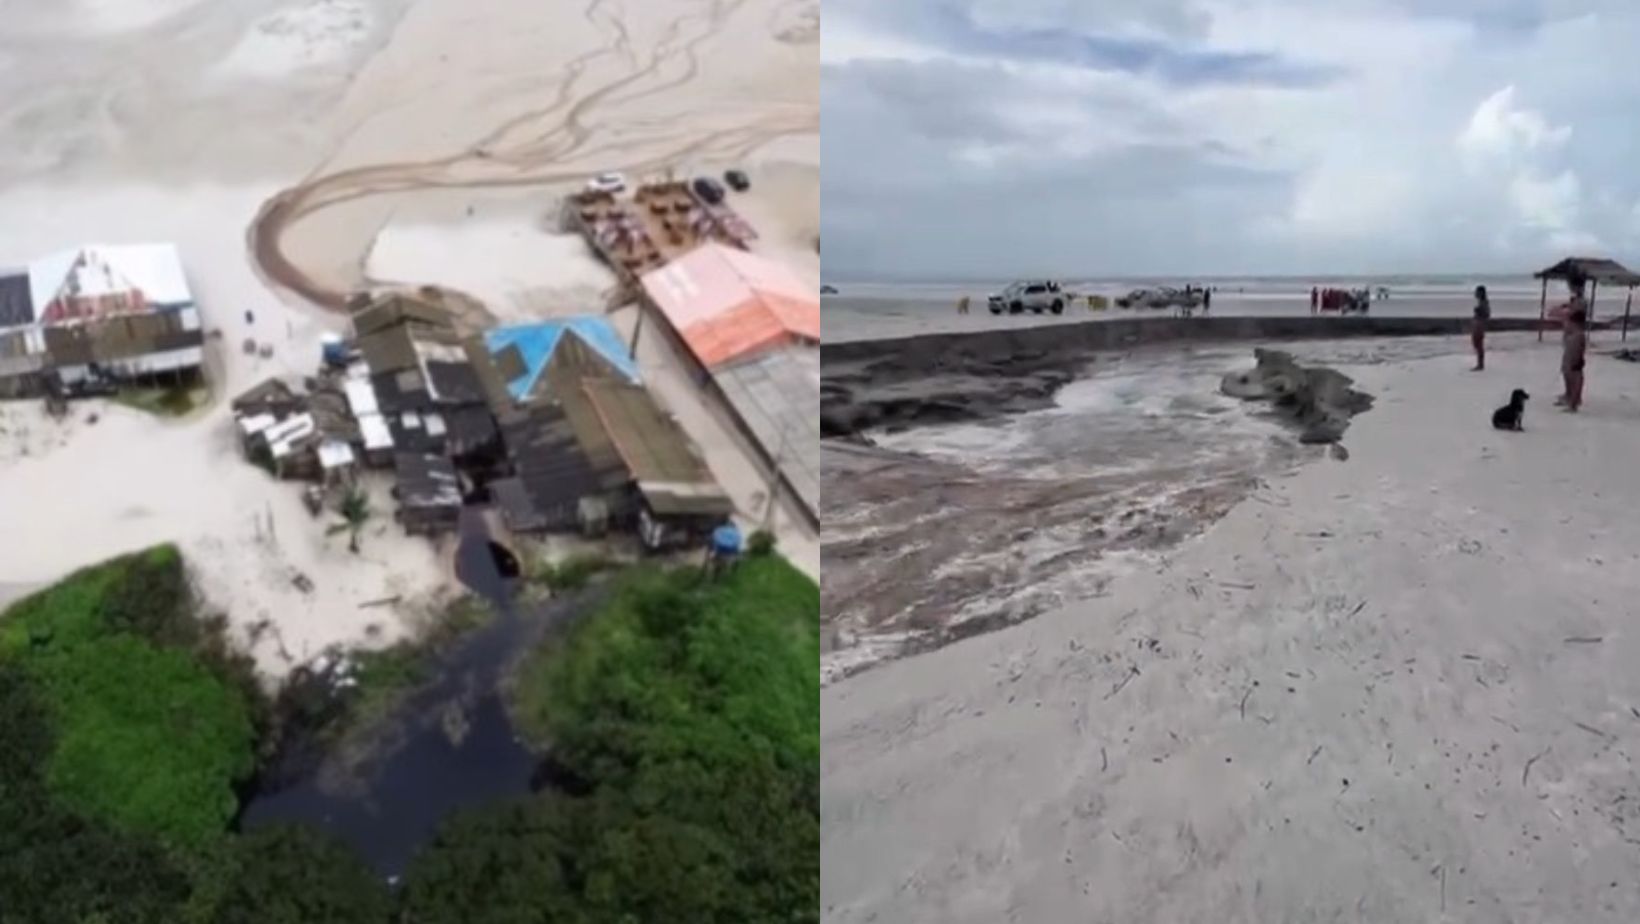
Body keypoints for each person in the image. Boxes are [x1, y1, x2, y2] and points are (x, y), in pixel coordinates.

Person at [1561, 307, 1587, 412]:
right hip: (1569, 357)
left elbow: (1580, 348)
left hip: (1575, 359)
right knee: (1567, 374)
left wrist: (1578, 360)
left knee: (1575, 377)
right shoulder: (1571, 333)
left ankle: (1574, 402)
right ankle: (1570, 397)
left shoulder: (1579, 334)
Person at [1470, 284, 1490, 371]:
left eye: (1477, 292)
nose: (1475, 293)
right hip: (1478, 324)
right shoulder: (1482, 302)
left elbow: (1486, 314)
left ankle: (1480, 364)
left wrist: (1478, 311)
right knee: (1477, 344)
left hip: (1480, 325)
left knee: (1478, 344)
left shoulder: (1484, 302)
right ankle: (1480, 364)